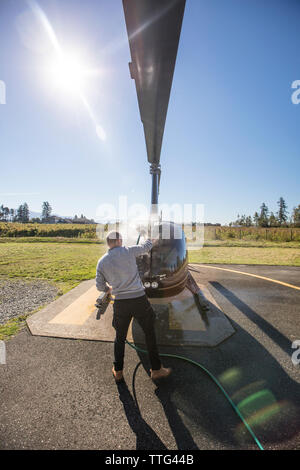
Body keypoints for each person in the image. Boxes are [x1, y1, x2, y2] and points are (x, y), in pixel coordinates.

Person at [96, 230, 171, 383]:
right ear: (119, 241)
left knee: (120, 338)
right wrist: (150, 236)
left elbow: (99, 285)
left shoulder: (102, 262)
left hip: (120, 304)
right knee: (149, 332)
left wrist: (108, 289)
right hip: (139, 300)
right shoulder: (128, 251)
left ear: (108, 243)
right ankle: (156, 370)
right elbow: (146, 246)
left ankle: (118, 371)